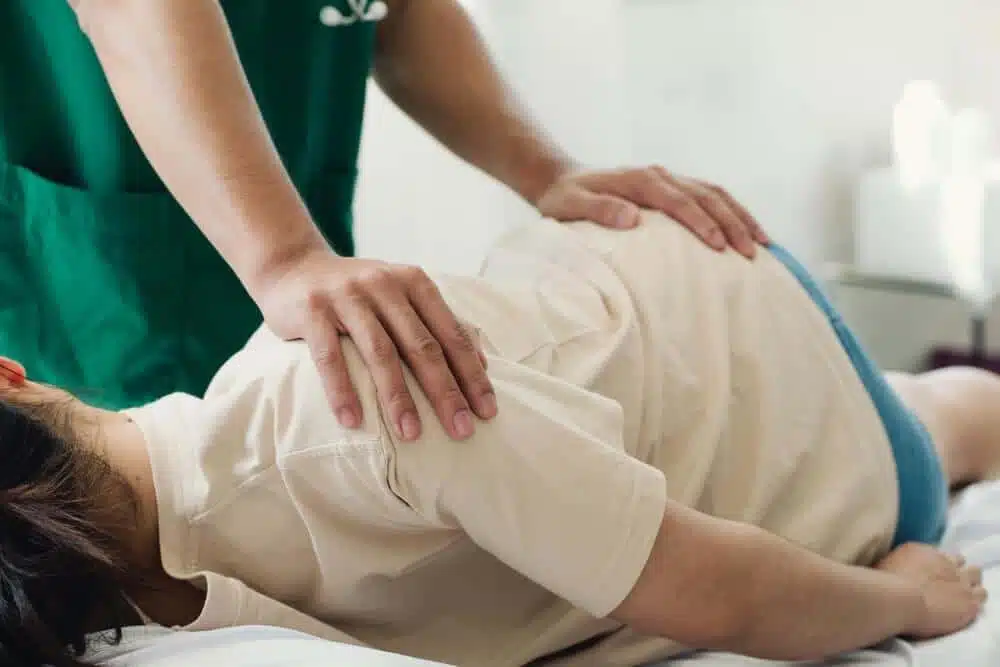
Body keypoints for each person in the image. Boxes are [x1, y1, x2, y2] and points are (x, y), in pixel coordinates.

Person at [0, 212, 993, 667]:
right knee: (935, 423)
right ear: (11, 376)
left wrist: (906, 596)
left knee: (945, 418)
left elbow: (716, 587)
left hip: (729, 347)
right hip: (714, 355)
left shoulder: (315, 421)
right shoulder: (318, 419)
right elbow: (710, 590)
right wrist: (902, 592)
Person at [0, 0, 769, 444]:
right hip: (83, 290)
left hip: (277, 301)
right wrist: (285, 256)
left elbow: (394, 12)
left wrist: (547, 171)